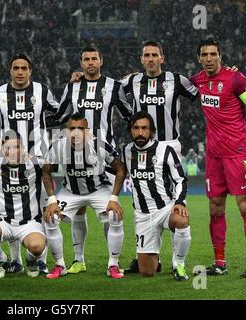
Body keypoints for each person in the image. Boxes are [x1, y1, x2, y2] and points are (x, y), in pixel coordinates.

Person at [191, 39, 246, 278]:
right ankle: (220, 262)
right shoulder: (198, 80)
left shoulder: (236, 79)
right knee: (215, 207)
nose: (209, 58)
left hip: (238, 153)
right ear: (199, 58)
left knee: (245, 205)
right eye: (204, 54)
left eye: (213, 54)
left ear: (220, 56)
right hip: (214, 156)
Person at [55, 46, 132, 274]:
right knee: (78, 209)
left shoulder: (113, 87)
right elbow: (60, 115)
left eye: (94, 59)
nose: (90, 63)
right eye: (86, 59)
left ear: (101, 61)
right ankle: (79, 259)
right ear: (81, 62)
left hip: (105, 157)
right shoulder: (73, 86)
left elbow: (129, 115)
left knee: (109, 213)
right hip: (77, 156)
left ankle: (113, 262)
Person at [0, 53, 59, 273]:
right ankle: (15, 259)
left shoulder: (42, 91)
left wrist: (46, 140)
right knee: (11, 205)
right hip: (9, 156)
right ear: (10, 70)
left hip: (37, 158)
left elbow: (58, 112)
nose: (19, 72)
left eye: (24, 68)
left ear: (30, 71)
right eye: (16, 68)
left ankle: (38, 256)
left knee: (43, 207)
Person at [42, 113, 126, 279]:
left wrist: (114, 199)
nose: (76, 132)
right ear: (66, 131)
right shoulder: (59, 146)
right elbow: (46, 171)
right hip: (70, 192)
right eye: (72, 128)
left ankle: (113, 265)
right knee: (50, 218)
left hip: (99, 190)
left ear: (87, 131)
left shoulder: (99, 144)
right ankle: (60, 265)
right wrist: (52, 200)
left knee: (114, 215)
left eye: (80, 128)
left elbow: (121, 169)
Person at [123, 111, 191, 280]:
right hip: (143, 216)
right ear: (130, 130)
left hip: (165, 209)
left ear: (151, 130)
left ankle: (179, 265)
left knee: (181, 220)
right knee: (147, 272)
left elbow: (180, 178)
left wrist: (180, 202)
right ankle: (155, 260)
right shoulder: (126, 150)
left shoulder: (165, 150)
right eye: (136, 128)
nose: (140, 132)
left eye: (144, 128)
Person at [0, 130, 48, 279]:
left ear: (23, 148)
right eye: (7, 148)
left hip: (29, 223)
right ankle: (2, 261)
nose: (12, 152)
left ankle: (30, 261)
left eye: (16, 147)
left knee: (37, 246)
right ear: (2, 149)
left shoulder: (36, 164)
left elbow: (58, 164)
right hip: (4, 222)